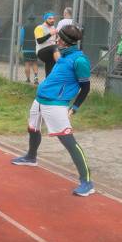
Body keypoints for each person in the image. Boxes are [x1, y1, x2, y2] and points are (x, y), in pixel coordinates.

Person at [12, 25, 95, 196]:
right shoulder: (62, 54)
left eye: (59, 37)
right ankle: (31, 157)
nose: (56, 39)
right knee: (32, 128)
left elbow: (85, 88)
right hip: (39, 100)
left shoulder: (80, 60)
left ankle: (87, 181)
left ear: (64, 40)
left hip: (56, 104)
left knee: (68, 141)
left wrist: (75, 108)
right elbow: (43, 52)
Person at [35, 12, 60, 76]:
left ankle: (47, 82)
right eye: (50, 18)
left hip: (52, 52)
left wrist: (57, 40)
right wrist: (50, 34)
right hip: (41, 51)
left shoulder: (53, 28)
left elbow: (53, 41)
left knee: (50, 71)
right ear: (45, 19)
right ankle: (61, 64)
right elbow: (39, 41)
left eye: (53, 18)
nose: (52, 20)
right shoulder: (39, 28)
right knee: (54, 47)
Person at [21, 16, 40, 84]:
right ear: (34, 19)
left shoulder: (24, 26)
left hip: (26, 48)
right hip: (35, 48)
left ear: (28, 19)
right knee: (34, 63)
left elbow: (21, 38)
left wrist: (21, 46)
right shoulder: (38, 27)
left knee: (27, 64)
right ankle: (36, 78)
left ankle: (28, 79)